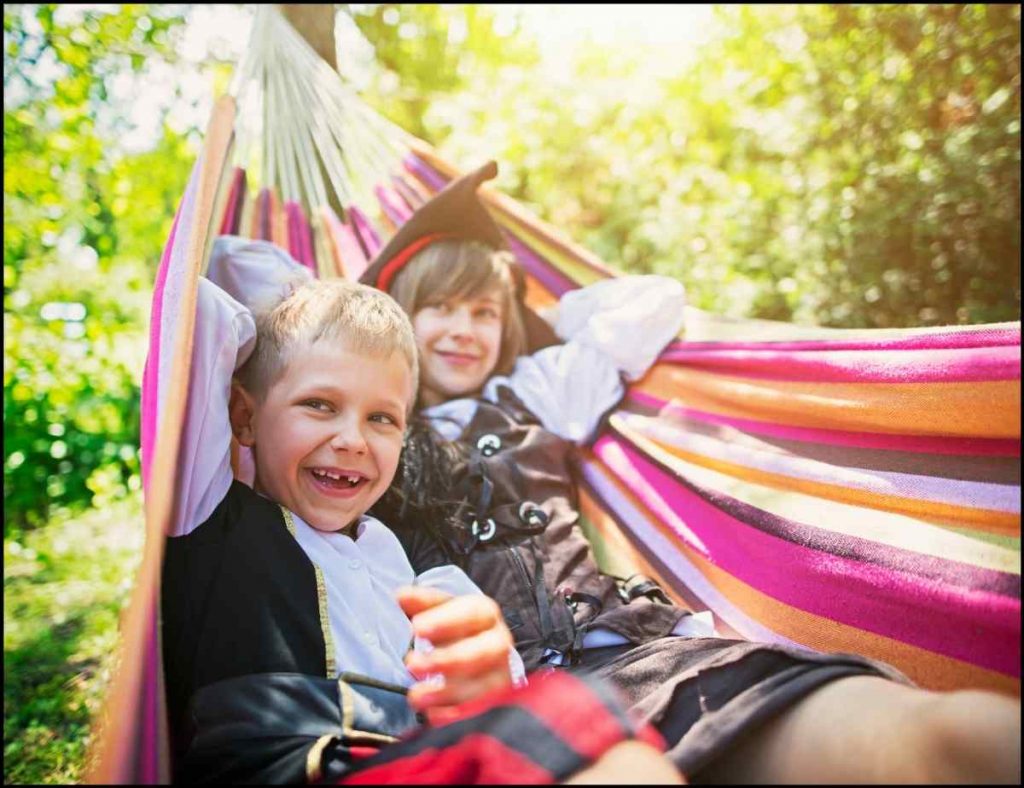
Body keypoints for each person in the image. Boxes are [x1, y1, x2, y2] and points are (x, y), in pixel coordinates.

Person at [354, 161, 1021, 784]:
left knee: (950, 740)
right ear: (398, 319)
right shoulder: (364, 442)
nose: (464, 329)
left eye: (484, 312)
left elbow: (651, 303)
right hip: (509, 710)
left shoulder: (540, 391)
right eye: (440, 307)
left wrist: (540, 323)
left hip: (643, 659)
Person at [159, 236, 682, 785]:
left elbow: (486, 695)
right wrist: (325, 307)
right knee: (577, 719)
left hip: (412, 761)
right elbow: (202, 299)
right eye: (319, 405)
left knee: (586, 724)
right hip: (292, 766)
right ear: (242, 416)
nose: (352, 439)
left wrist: (482, 680)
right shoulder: (212, 511)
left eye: (382, 419)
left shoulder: (407, 567)